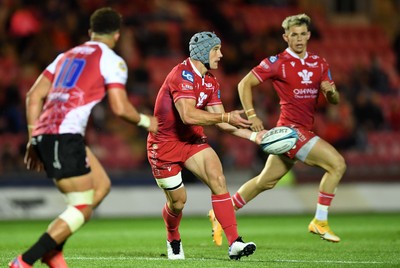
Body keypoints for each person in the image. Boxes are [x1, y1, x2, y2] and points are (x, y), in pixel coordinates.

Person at [9, 7, 158, 268]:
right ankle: (24, 261)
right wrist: (149, 122)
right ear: (117, 36)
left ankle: (53, 252)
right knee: (82, 206)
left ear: (90, 33)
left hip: (56, 135)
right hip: (63, 136)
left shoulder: (65, 55)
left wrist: (34, 139)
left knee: (101, 187)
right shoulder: (112, 60)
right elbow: (121, 108)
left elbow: (34, 95)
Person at [209, 13, 346, 245]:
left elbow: (334, 100)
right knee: (337, 164)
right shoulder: (277, 62)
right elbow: (244, 84)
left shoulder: (320, 64)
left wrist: (331, 92)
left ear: (309, 35)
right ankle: (320, 221)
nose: (299, 39)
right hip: (291, 132)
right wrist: (252, 115)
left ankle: (221, 212)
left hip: (300, 130)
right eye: (294, 35)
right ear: (286, 37)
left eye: (303, 34)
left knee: (265, 181)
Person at [147, 31, 264, 260]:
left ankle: (234, 243)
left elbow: (223, 122)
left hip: (191, 141)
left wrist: (255, 136)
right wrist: (226, 118)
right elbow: (188, 115)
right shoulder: (181, 75)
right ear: (202, 52)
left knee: (218, 178)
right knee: (178, 203)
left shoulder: (210, 81)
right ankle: (173, 237)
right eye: (216, 50)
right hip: (164, 146)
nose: (221, 55)